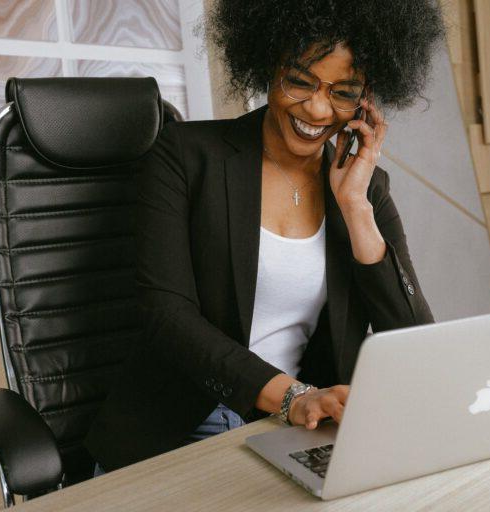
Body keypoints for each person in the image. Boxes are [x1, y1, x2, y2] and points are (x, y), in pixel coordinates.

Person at [85, 0, 445, 475]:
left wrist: (356, 207)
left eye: (343, 92)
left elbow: (413, 338)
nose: (318, 109)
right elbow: (166, 314)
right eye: (300, 80)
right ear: (268, 65)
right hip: (181, 424)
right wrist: (292, 397)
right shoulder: (186, 157)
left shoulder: (364, 187)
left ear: (366, 98)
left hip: (298, 431)